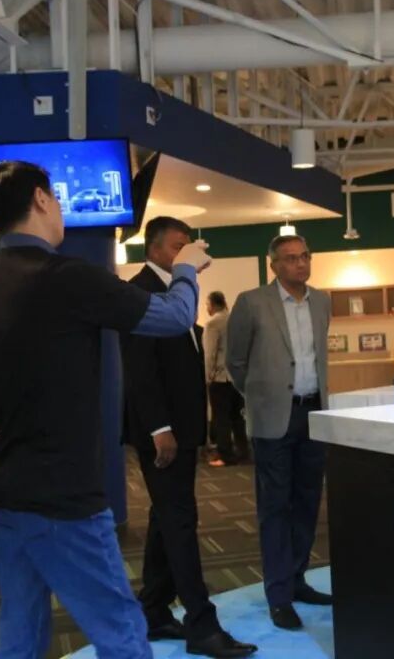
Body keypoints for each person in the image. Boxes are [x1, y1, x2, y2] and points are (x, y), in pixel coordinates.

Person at [0, 161, 220, 659]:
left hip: (4, 490)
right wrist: (186, 267)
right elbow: (174, 317)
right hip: (64, 495)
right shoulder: (69, 278)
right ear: (41, 200)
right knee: (122, 632)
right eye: (57, 199)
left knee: (22, 630)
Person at [121, 218, 257, 659]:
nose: (189, 256)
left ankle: (154, 610)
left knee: (167, 517)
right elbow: (139, 369)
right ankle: (202, 624)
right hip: (161, 432)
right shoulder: (141, 291)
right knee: (179, 521)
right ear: (156, 250)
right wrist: (159, 428)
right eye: (180, 248)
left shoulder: (176, 289)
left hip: (181, 428)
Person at [226, 234, 333, 630]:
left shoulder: (322, 301)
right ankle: (279, 595)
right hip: (273, 418)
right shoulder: (252, 302)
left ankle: (298, 578)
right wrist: (262, 396)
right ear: (273, 265)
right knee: (275, 508)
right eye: (290, 258)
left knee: (308, 503)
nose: (300, 264)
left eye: (305, 256)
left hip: (313, 413)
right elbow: (236, 362)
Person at [203, 291, 248, 467]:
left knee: (221, 418)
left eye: (207, 305)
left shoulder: (213, 323)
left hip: (220, 377)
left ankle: (226, 455)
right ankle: (243, 452)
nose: (207, 308)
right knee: (238, 417)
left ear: (212, 305)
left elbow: (210, 354)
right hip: (238, 377)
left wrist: (208, 376)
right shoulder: (237, 320)